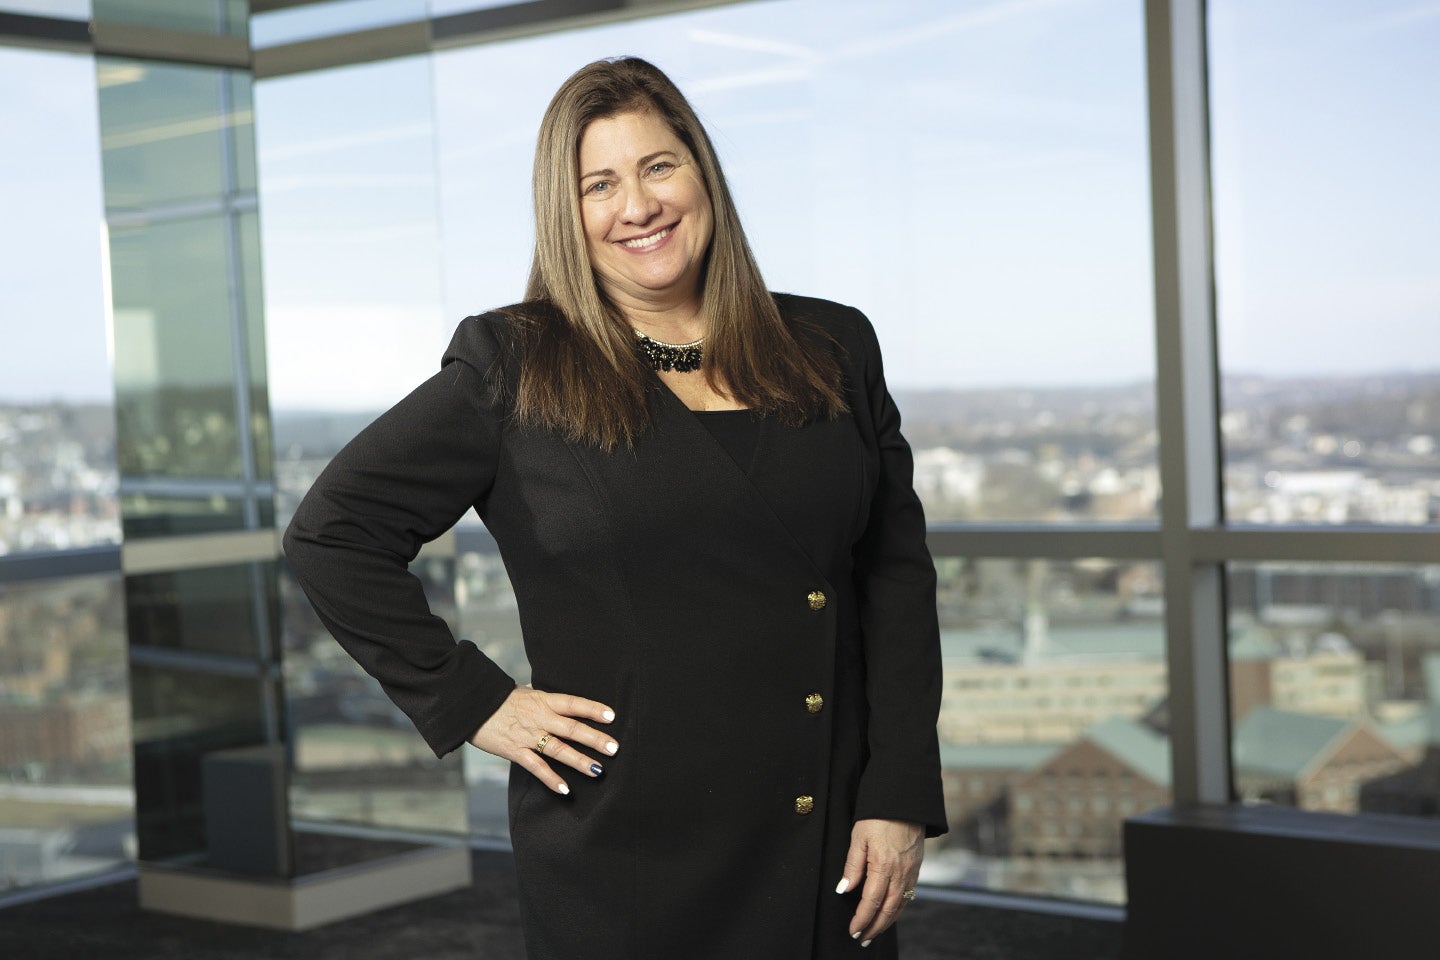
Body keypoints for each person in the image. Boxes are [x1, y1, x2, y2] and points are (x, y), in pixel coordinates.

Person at [283, 56, 946, 959]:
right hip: (626, 849)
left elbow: (894, 582)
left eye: (659, 167)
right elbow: (332, 534)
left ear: (703, 174)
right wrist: (475, 702)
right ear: (569, 214)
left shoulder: (833, 344)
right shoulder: (511, 366)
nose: (637, 206)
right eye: (600, 184)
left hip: (822, 828)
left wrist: (897, 792)